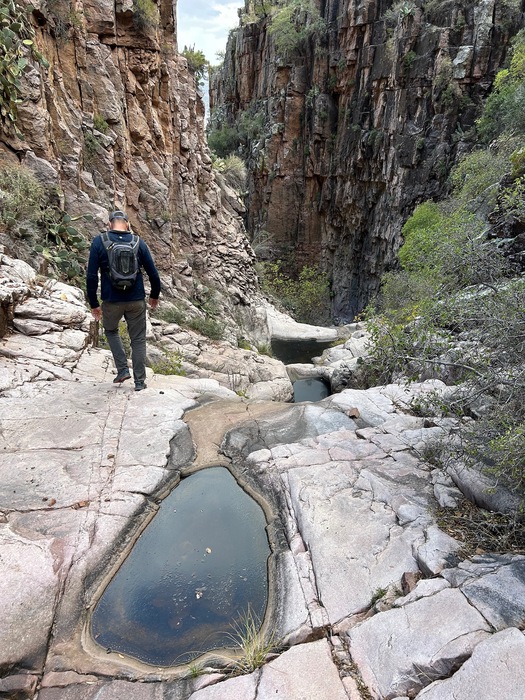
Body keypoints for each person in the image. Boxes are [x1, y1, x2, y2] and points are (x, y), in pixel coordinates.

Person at [86, 210, 161, 391]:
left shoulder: (99, 241)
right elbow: (153, 273)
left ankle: (122, 370)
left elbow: (91, 276)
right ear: (127, 224)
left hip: (111, 300)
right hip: (136, 300)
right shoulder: (138, 242)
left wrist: (94, 304)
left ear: (109, 224)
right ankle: (139, 382)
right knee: (138, 339)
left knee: (111, 331)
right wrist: (154, 295)